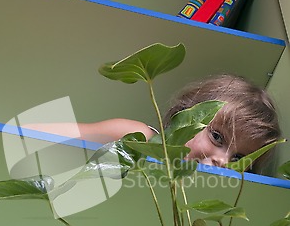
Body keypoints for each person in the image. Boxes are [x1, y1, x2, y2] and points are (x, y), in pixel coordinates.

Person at [24, 73, 281, 175]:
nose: (223, 161)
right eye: (217, 137)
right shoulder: (138, 138)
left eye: (238, 158)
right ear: (185, 114)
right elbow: (31, 137)